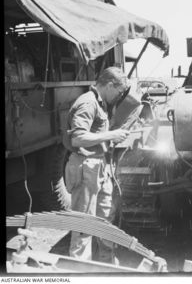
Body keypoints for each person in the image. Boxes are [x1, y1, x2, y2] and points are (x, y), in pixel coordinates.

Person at [63, 66, 130, 263]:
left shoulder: (101, 103)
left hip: (99, 167)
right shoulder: (87, 103)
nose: (118, 96)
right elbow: (78, 138)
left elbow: (95, 135)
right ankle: (81, 270)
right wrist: (111, 135)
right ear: (109, 85)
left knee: (105, 218)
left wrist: (110, 139)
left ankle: (107, 266)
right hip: (85, 168)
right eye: (118, 92)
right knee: (84, 225)